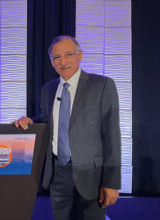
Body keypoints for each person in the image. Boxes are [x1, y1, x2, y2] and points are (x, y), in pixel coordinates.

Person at [13, 35, 121, 220]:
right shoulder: (48, 89)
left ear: (79, 55)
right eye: (56, 57)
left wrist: (111, 182)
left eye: (68, 54)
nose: (63, 61)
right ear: (51, 62)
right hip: (58, 174)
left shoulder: (102, 85)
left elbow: (112, 136)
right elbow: (47, 122)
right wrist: (31, 122)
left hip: (91, 175)